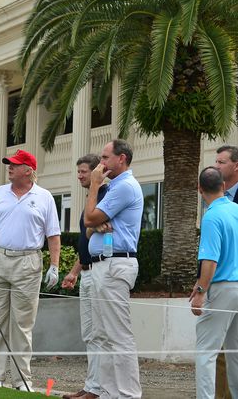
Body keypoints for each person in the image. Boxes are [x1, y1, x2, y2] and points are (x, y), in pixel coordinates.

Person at [0, 149, 61, 392]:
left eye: (15, 165)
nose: (9, 168)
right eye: (9, 164)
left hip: (28, 263)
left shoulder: (44, 197)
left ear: (28, 170)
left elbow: (53, 235)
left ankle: (22, 380)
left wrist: (55, 266)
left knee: (22, 324)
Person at [84, 139, 143, 399]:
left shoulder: (124, 186)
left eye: (106, 158)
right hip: (103, 264)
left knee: (118, 335)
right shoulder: (113, 187)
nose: (101, 163)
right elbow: (89, 226)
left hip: (116, 264)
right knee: (103, 334)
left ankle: (128, 394)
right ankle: (108, 393)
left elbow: (90, 216)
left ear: (122, 159)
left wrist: (95, 185)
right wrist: (95, 224)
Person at [61, 154, 108, 399]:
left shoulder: (105, 195)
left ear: (96, 172)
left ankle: (98, 389)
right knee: (89, 333)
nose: (79, 176)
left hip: (102, 272)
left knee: (100, 333)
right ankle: (91, 386)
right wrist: (74, 272)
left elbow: (97, 226)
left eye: (83, 171)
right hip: (87, 272)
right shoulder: (92, 197)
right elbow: (87, 238)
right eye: (78, 172)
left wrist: (92, 226)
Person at [191, 166, 238, 398]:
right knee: (235, 352)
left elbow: (210, 261)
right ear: (223, 186)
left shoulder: (211, 216)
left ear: (200, 189)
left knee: (206, 351)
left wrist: (200, 290)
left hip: (222, 288)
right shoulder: (236, 210)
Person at [212, 145, 238, 399]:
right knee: (221, 351)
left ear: (236, 166)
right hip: (222, 284)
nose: (216, 166)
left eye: (221, 162)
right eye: (215, 162)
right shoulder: (216, 198)